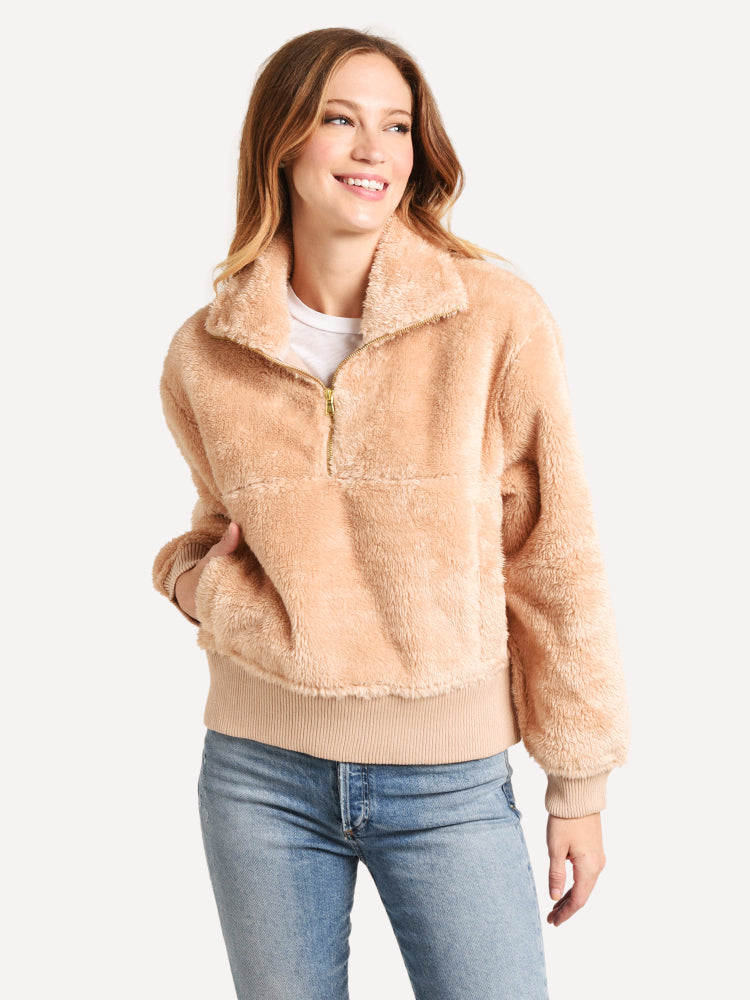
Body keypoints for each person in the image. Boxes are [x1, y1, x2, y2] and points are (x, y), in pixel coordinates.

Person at [152, 26, 630, 1000]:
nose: (374, 148)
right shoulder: (207, 350)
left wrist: (577, 784)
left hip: (449, 778)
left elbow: (555, 554)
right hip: (258, 774)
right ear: (283, 140)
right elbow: (215, 528)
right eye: (340, 119)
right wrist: (190, 581)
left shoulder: (494, 319)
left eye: (398, 125)